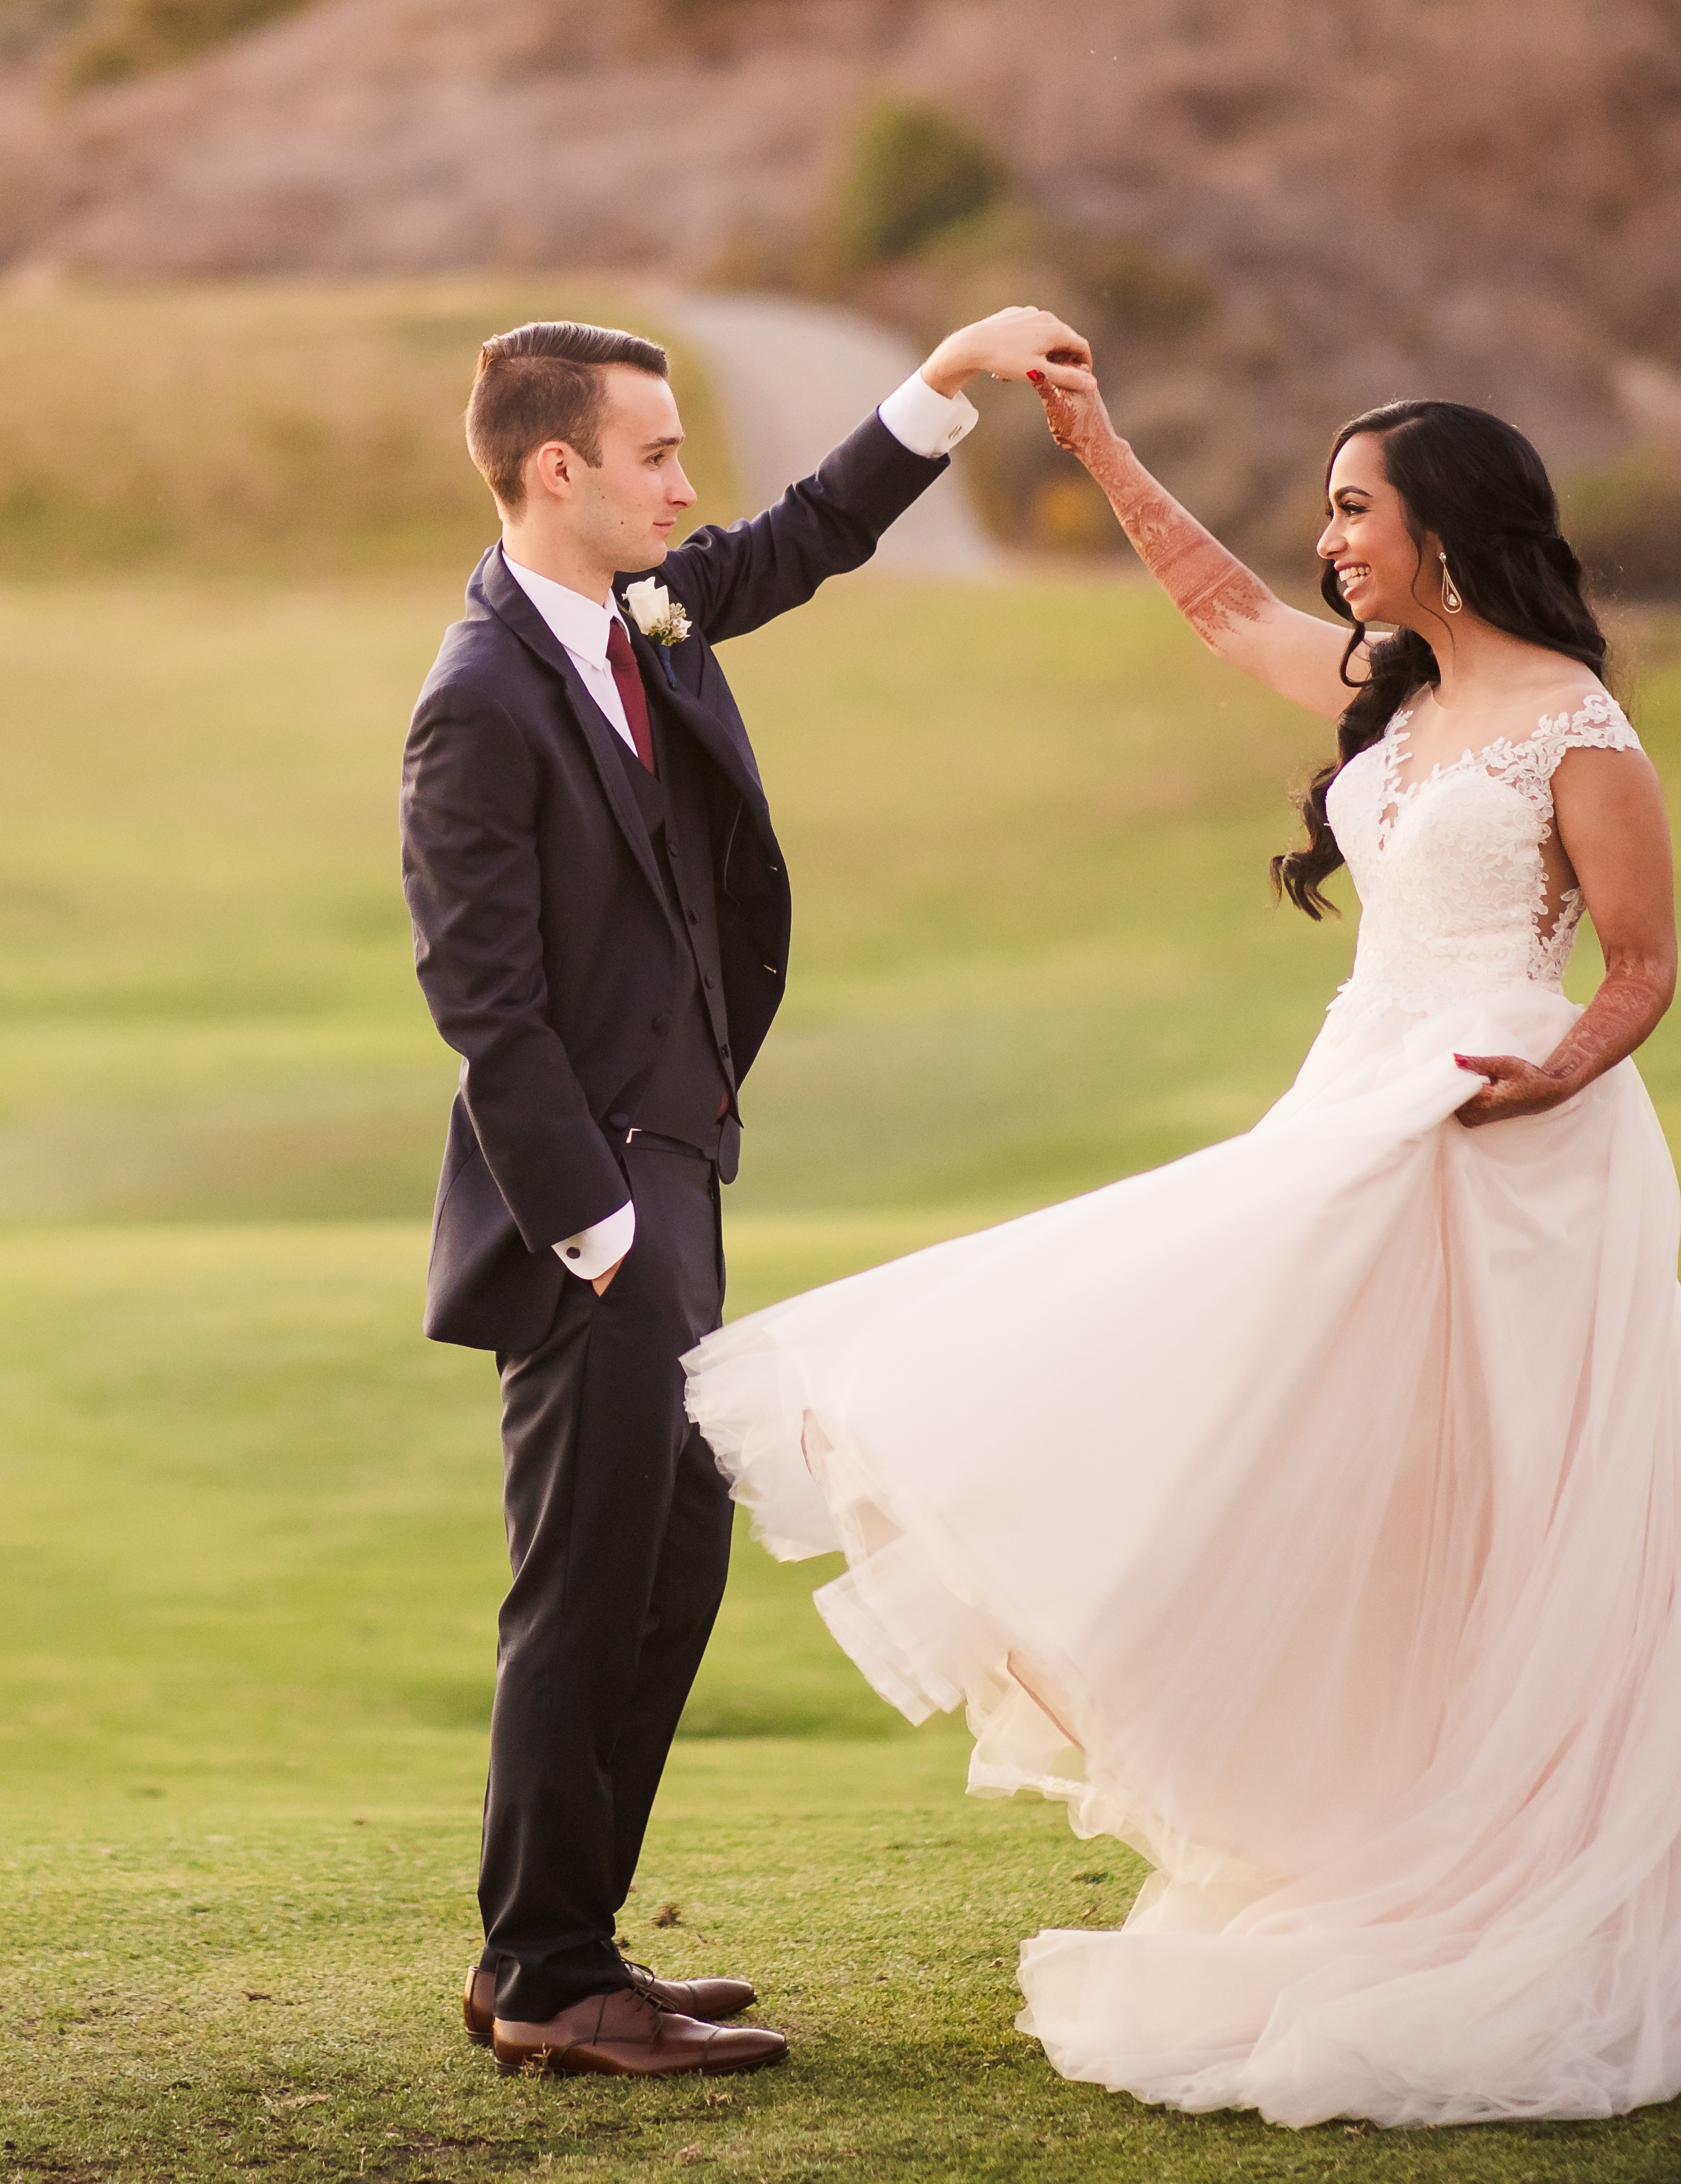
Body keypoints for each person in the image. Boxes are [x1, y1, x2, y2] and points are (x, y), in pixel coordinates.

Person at [681, 359, 1681, 2128]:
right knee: (1306, 1460)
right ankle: (1391, 1819)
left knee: (1526, 1497)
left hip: (1512, 1154)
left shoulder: (1575, 722)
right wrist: (1101, 446)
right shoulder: (1394, 691)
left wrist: (1542, 1083)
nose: (1328, 539)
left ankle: (1573, 1852)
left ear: (1449, 527)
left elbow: (1644, 966)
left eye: (1357, 508)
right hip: (1355, 1105)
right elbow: (1218, 607)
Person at [400, 305, 1081, 2079]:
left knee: (668, 1574)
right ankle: (547, 1978)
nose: (685, 486)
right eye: (653, 455)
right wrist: (602, 1228)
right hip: (597, 1220)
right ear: (556, 471)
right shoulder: (478, 698)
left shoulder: (641, 609)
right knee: (587, 1587)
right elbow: (484, 995)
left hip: (679, 1174)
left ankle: (558, 1949)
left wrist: (940, 390)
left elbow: (796, 541)